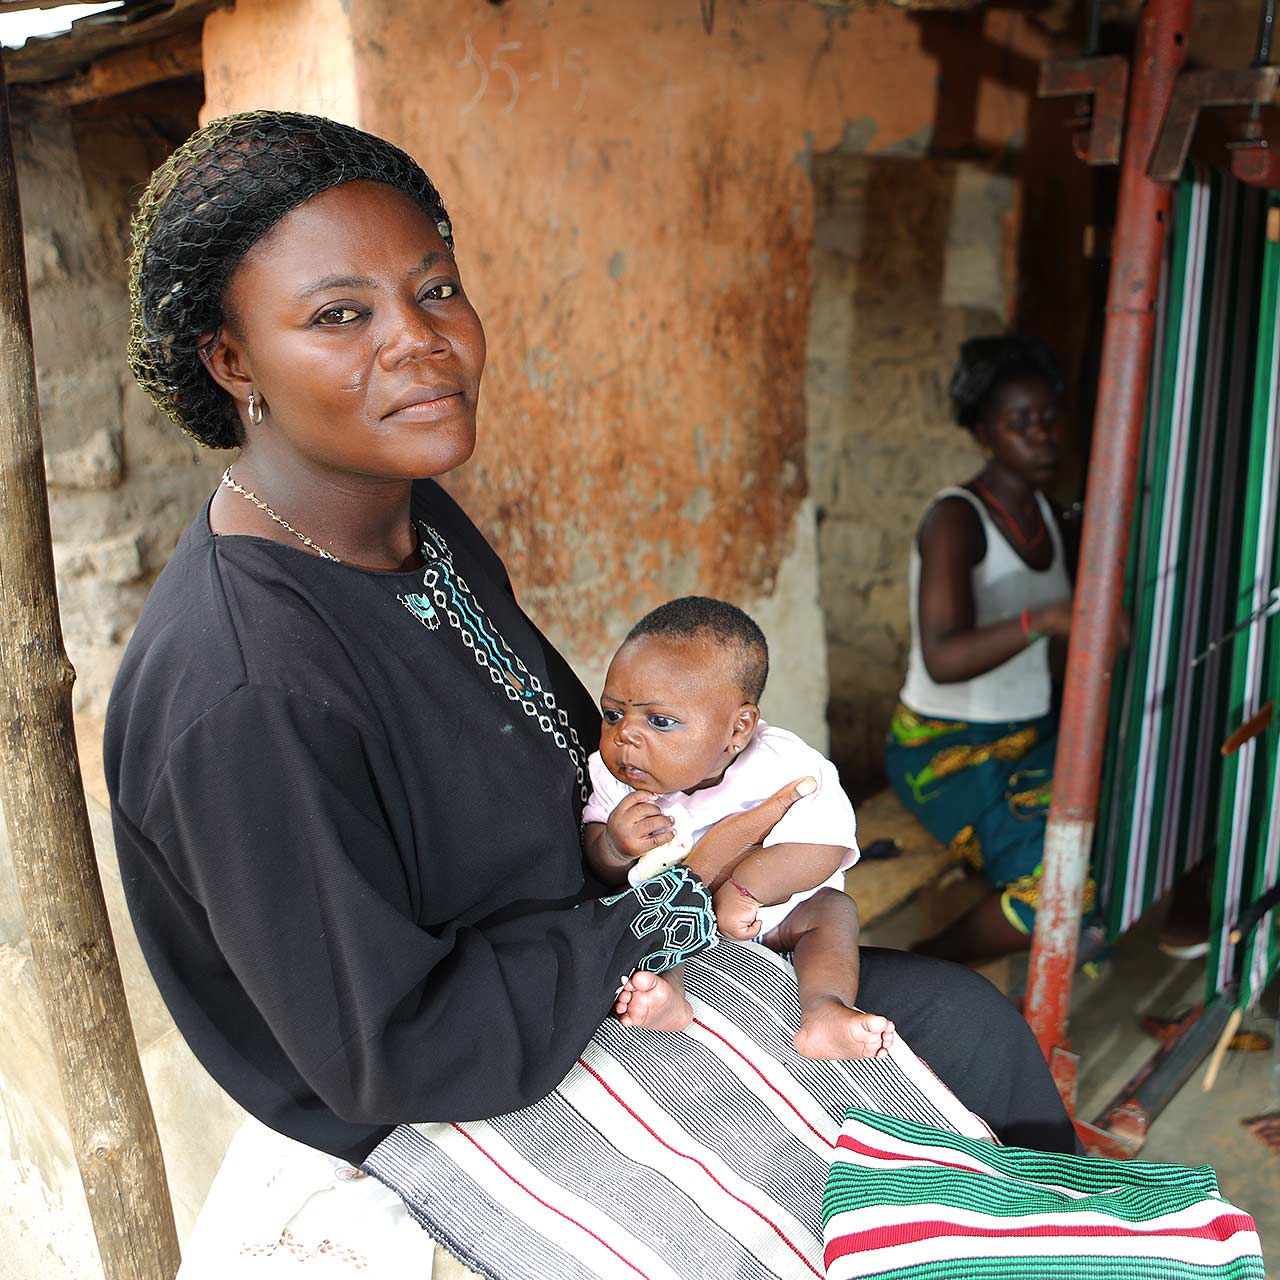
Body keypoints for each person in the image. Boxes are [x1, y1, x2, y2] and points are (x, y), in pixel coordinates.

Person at [107, 112, 1079, 1273]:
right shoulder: (244, 686)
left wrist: (708, 797)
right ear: (230, 359)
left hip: (583, 953)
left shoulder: (416, 529)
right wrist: (673, 906)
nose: (421, 342)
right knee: (826, 1206)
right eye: (339, 314)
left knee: (967, 1031)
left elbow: (582, 756)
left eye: (436, 289)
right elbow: (389, 1042)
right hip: (456, 1077)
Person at [582, 596, 894, 1060]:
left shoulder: (783, 765)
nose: (626, 735)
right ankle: (667, 998)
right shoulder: (614, 777)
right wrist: (612, 844)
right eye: (613, 714)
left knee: (834, 913)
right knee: (639, 923)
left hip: (782, 913)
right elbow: (600, 863)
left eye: (660, 721)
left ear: (738, 729)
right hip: (679, 917)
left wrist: (748, 889)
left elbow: (825, 845)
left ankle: (825, 1008)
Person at [885, 334, 1097, 964]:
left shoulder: (1054, 520)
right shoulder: (956, 519)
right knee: (1054, 888)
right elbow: (944, 658)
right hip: (946, 747)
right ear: (983, 433)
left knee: (1120, 822)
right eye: (1020, 423)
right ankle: (930, 966)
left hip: (1030, 734)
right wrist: (1045, 618)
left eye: (1049, 418)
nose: (1043, 436)